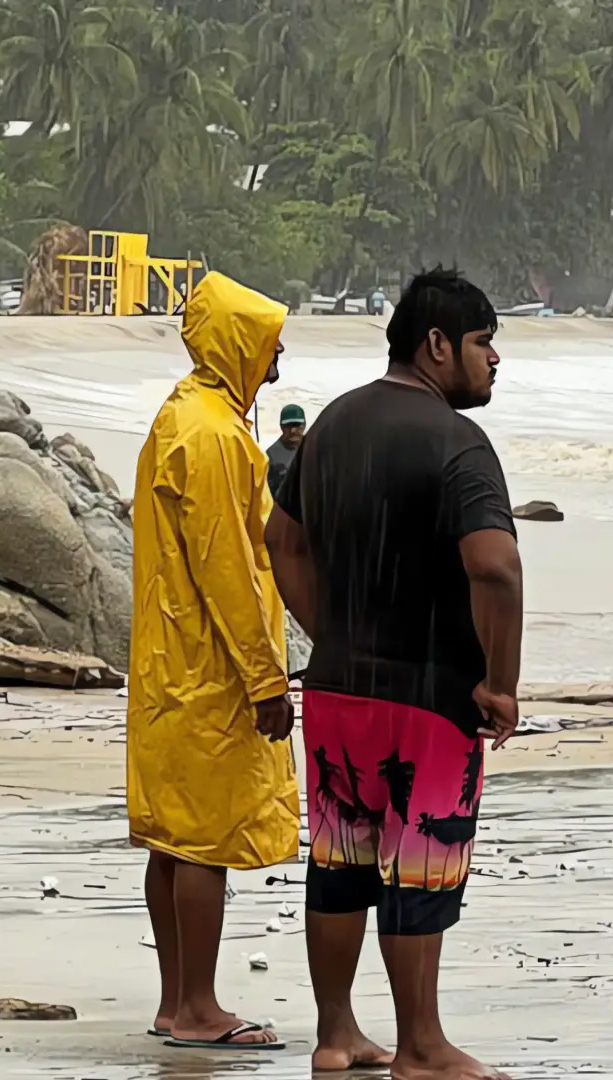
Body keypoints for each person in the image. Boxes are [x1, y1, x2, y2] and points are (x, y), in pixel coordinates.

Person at [265, 268, 523, 1080]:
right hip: (428, 697)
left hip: (338, 690)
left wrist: (333, 632)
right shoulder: (457, 442)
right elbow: (496, 567)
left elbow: (282, 541)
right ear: (436, 344)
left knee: (339, 858)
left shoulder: (332, 424)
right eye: (483, 343)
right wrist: (500, 683)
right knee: (421, 860)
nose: (493, 360)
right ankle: (421, 1046)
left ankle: (336, 1035)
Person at [128, 271, 299, 1052]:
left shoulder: (179, 414)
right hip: (209, 666)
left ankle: (176, 1002)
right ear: (236, 343)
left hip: (168, 662)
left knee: (173, 837)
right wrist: (266, 679)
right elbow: (230, 567)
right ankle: (199, 1007)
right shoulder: (216, 438)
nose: (276, 361)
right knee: (203, 840)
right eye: (268, 345)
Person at [265, 404, 306, 499]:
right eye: (288, 426)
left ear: (304, 425)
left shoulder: (313, 449)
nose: (293, 430)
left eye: (297, 425)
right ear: (281, 427)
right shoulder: (270, 457)